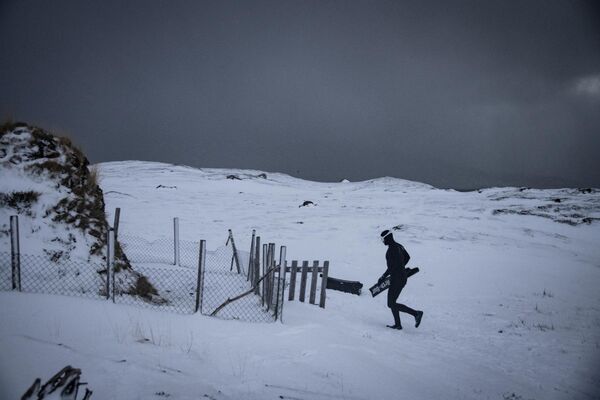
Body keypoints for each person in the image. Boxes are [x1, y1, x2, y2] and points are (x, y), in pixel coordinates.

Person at [378, 229, 423, 330]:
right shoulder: (399, 246)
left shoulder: (390, 251)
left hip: (397, 279)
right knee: (392, 302)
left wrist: (382, 277)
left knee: (391, 303)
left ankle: (416, 313)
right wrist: (401, 267)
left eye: (383, 239)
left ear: (388, 238)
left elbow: (391, 268)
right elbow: (407, 257)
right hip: (402, 277)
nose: (382, 241)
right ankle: (398, 324)